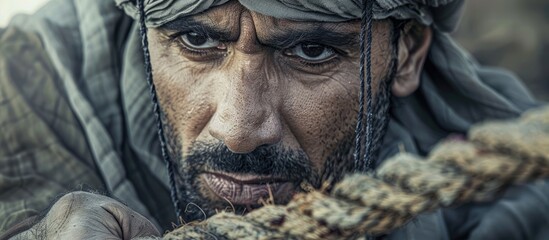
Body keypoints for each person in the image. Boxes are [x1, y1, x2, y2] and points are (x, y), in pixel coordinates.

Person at [0, 0, 547, 239]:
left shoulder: (510, 178)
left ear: (407, 55)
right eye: (196, 41)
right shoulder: (27, 89)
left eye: (310, 51)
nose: (238, 130)